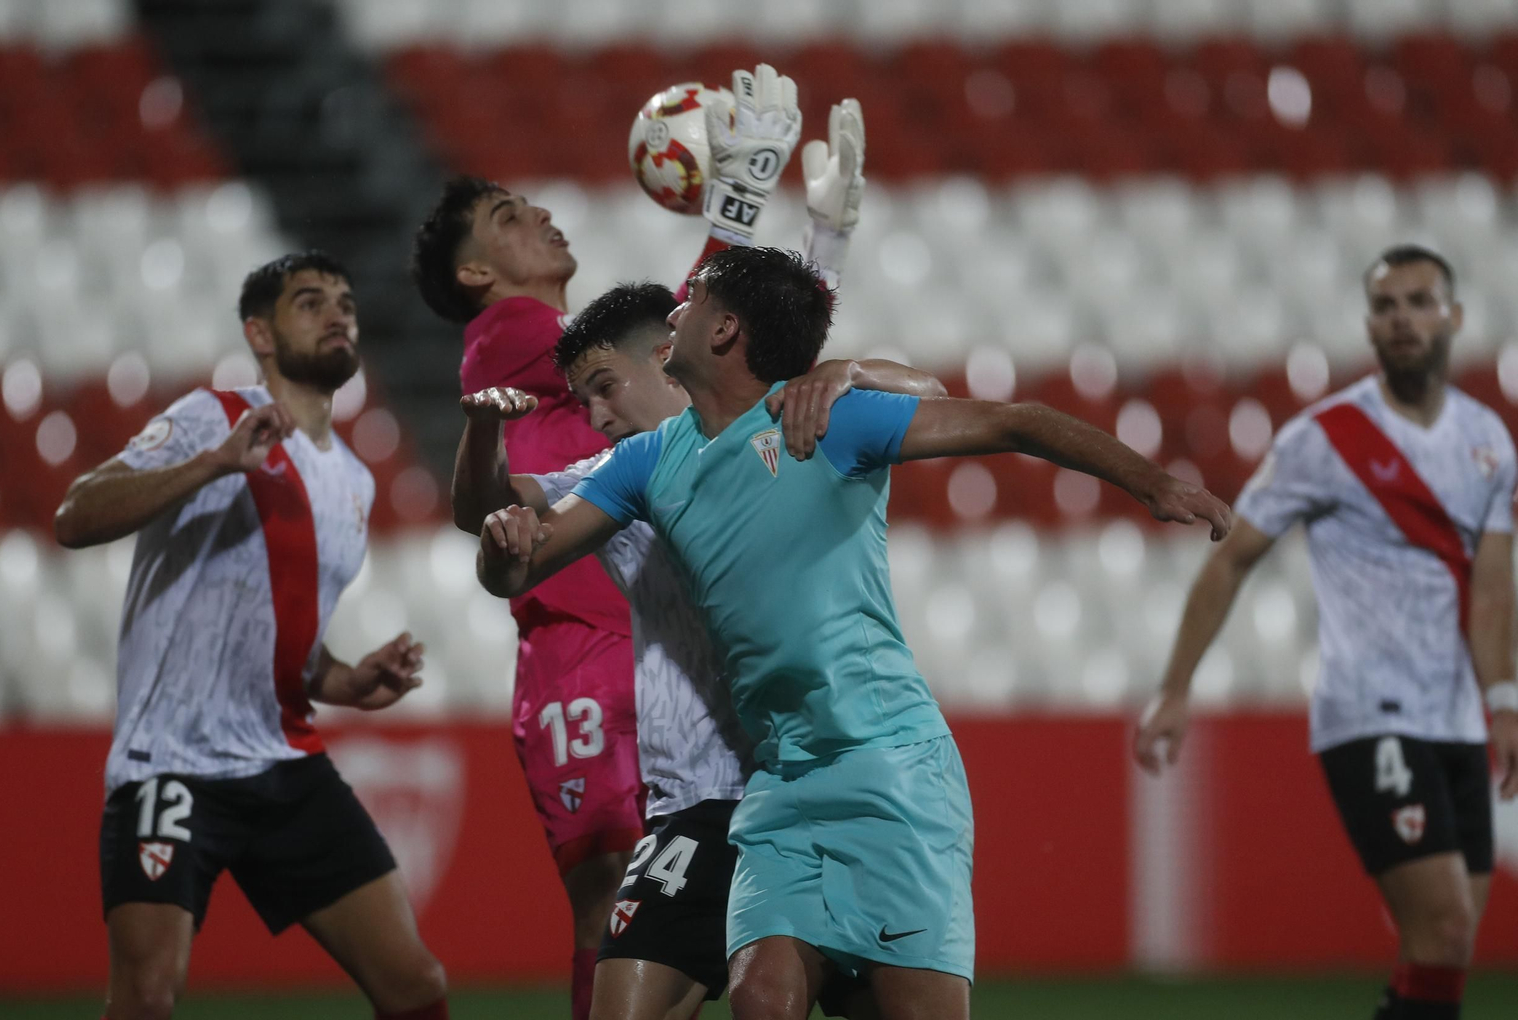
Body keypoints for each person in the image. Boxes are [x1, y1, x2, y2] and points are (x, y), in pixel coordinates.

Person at [475, 245, 1230, 1020]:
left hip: (890, 769)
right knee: (761, 998)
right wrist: (504, 550)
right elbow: (522, 563)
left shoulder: (824, 419)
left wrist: (1156, 483)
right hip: (781, 778)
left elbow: (1016, 420)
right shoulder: (648, 459)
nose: (675, 308)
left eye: (692, 297)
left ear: (727, 329)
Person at [410, 66, 860, 1020]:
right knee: (623, 897)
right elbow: (679, 341)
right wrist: (740, 195)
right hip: (582, 652)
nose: (540, 216)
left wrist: (819, 242)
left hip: (647, 638)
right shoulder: (511, 333)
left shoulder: (643, 428)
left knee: (692, 928)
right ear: (476, 277)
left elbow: (713, 358)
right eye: (507, 219)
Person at [452, 279, 942, 1019]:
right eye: (583, 399)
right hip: (694, 800)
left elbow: (930, 396)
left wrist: (851, 370)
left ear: (666, 356)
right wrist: (486, 432)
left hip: (809, 785)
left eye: (605, 387)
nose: (596, 414)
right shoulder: (614, 480)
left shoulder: (787, 425)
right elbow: (489, 506)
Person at [54, 252, 447, 1020]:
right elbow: (75, 515)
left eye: (345, 301)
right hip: (171, 763)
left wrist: (348, 682)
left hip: (283, 764)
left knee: (418, 988)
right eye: (311, 302)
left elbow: (289, 646)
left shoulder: (355, 482)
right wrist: (213, 465)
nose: (339, 314)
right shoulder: (215, 416)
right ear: (259, 334)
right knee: (145, 1001)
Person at [1134, 245, 1518, 1020]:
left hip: (1453, 720)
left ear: (1455, 318)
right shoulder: (1325, 438)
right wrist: (1175, 689)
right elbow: (1230, 561)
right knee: (1442, 928)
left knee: (1444, 950)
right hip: (1368, 713)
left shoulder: (1489, 443)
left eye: (1418, 301)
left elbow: (1491, 588)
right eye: (1386, 305)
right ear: (1368, 324)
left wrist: (1502, 699)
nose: (1402, 318)